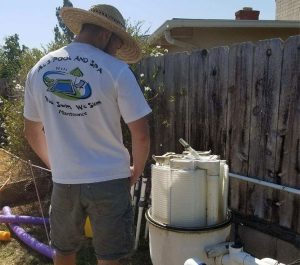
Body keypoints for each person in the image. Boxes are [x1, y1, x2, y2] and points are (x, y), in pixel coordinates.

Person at [23, 4, 151, 265]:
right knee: (109, 257)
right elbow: (141, 135)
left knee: (64, 250)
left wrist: (56, 165)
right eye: (117, 44)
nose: (117, 51)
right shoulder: (116, 70)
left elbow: (31, 131)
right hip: (110, 179)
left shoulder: (39, 69)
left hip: (65, 180)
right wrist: (135, 172)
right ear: (106, 35)